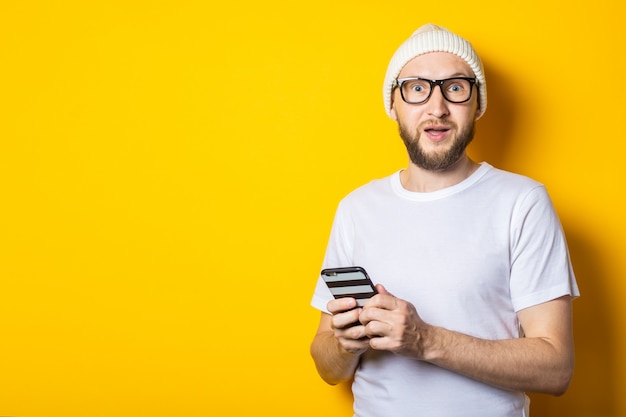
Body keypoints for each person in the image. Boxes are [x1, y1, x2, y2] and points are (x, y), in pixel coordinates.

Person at [309, 23, 579, 417]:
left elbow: (557, 369)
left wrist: (426, 340)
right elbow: (326, 366)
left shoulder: (523, 203)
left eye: (455, 88)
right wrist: (344, 344)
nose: (437, 108)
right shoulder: (356, 208)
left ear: (477, 103)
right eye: (417, 88)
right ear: (393, 104)